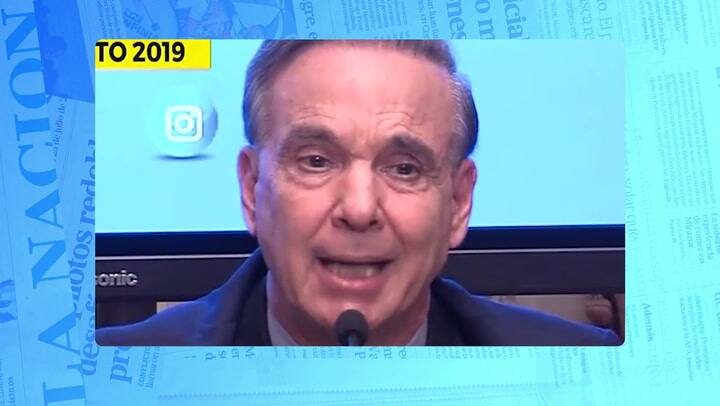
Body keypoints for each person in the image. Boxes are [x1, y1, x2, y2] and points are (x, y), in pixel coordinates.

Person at [96, 40, 620, 346]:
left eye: (405, 169)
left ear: (459, 204)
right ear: (252, 189)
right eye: (316, 161)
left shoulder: (584, 369)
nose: (360, 208)